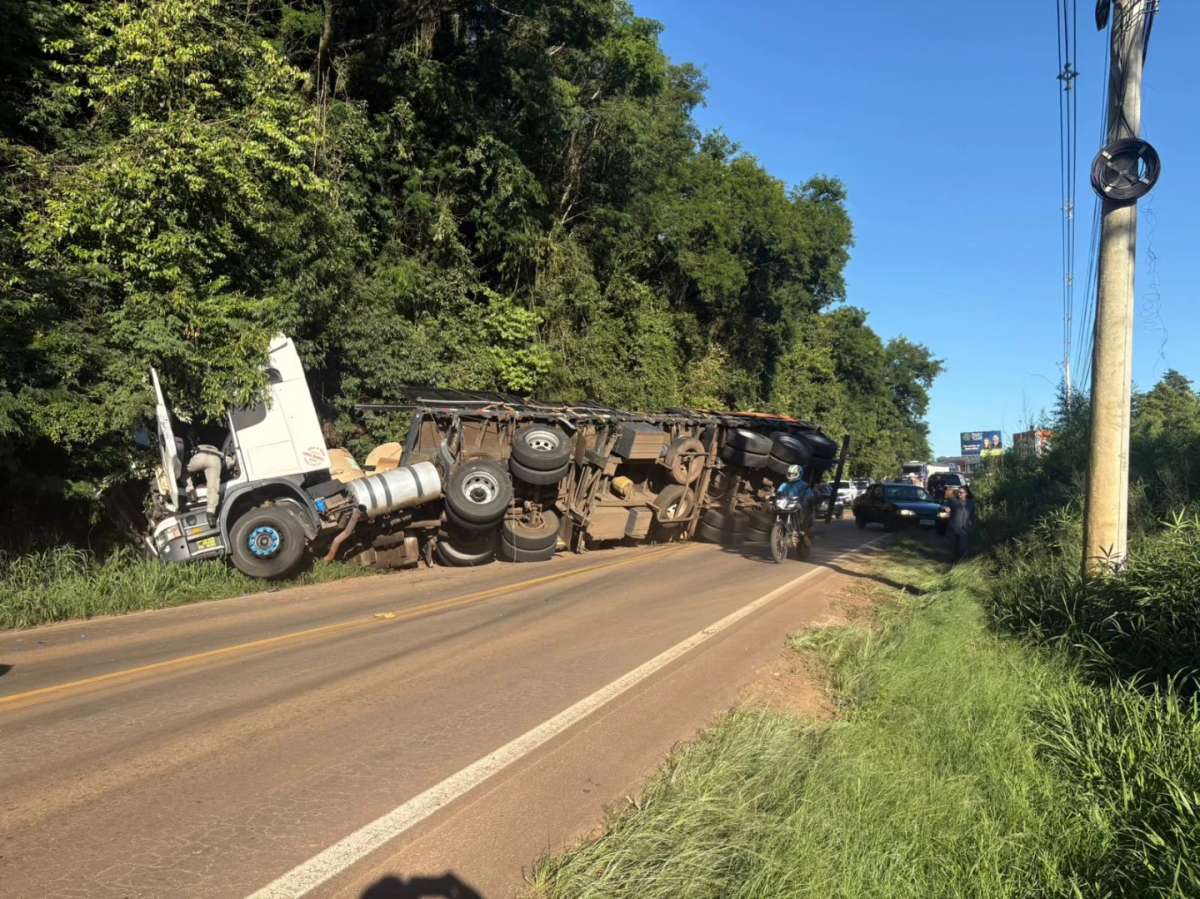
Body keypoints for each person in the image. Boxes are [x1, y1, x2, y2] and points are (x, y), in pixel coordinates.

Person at [944, 487, 970, 561]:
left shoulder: (970, 503)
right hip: (954, 528)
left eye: (961, 493)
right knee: (954, 548)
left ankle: (962, 563)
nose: (959, 494)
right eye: (958, 492)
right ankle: (954, 562)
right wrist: (946, 508)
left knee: (962, 548)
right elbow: (946, 506)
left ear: (966, 494)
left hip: (964, 529)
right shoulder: (954, 501)